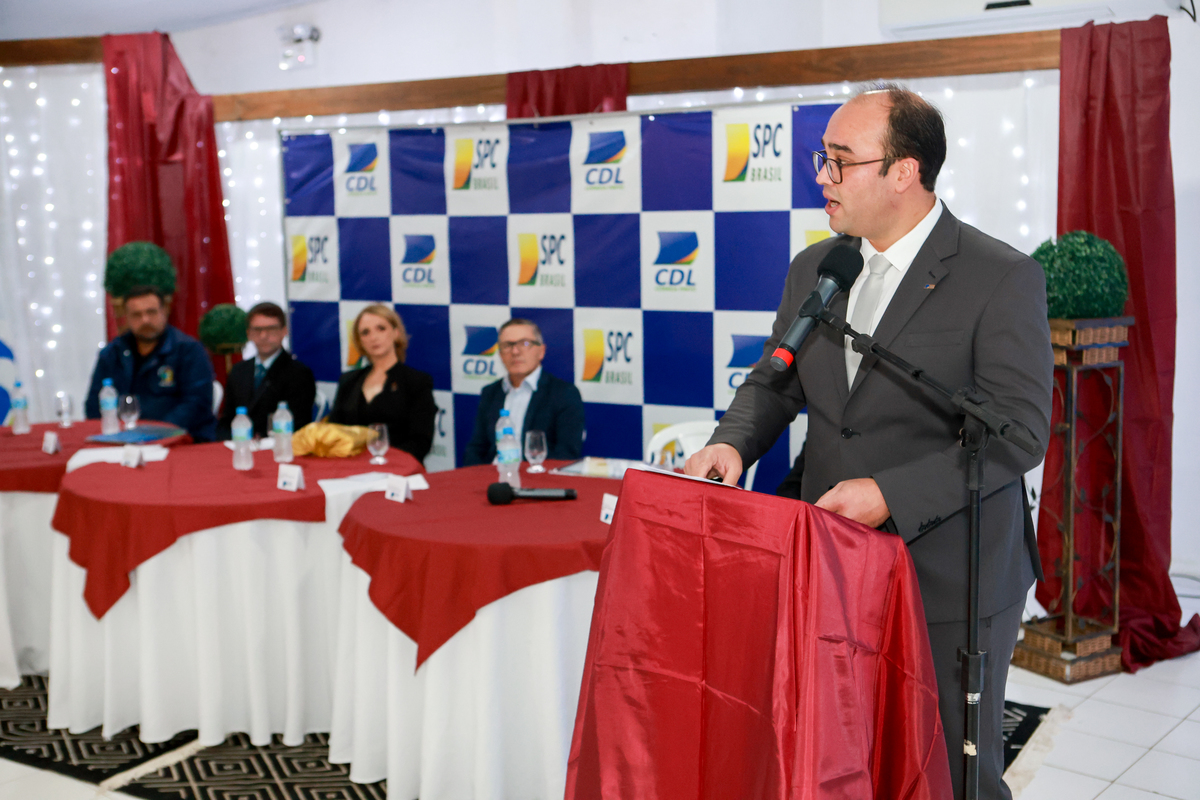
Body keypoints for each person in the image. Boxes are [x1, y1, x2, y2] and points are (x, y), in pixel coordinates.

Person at [685, 84, 1053, 800]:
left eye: (841, 161)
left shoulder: (1001, 276)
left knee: (947, 771)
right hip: (829, 557)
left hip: (950, 571)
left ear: (904, 171)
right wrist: (733, 444)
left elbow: (1018, 432)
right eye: (821, 159)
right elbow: (774, 381)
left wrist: (889, 494)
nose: (822, 177)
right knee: (843, 754)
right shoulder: (818, 268)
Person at [85, 285, 218, 442]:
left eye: (151, 312)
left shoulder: (189, 350)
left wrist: (154, 433)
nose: (145, 320)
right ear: (126, 317)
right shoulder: (112, 354)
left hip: (180, 441)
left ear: (164, 311)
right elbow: (94, 405)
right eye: (137, 315)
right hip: (121, 440)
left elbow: (196, 405)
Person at [463, 318, 585, 466]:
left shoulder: (564, 393)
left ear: (541, 351)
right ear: (500, 354)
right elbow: (476, 448)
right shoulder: (490, 392)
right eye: (507, 345)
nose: (515, 351)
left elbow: (566, 454)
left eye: (525, 344)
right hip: (494, 476)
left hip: (539, 477)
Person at [328, 304, 437, 461]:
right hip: (350, 467)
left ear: (396, 333)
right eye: (365, 332)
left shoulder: (417, 381)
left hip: (397, 469)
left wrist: (381, 462)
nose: (373, 337)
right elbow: (334, 432)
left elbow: (420, 443)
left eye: (381, 328)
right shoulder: (348, 381)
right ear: (359, 341)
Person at [216, 302, 316, 440]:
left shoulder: (299, 373)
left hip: (279, 445)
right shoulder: (238, 371)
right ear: (249, 333)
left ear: (284, 331)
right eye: (257, 330)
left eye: (271, 329)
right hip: (239, 445)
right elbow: (227, 419)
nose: (263, 336)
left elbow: (299, 424)